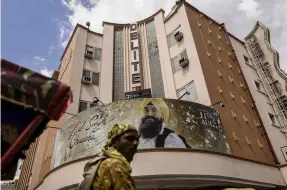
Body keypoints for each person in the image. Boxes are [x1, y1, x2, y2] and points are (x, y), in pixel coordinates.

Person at [78, 124, 139, 190]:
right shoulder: (114, 164)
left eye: (137, 140)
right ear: (114, 142)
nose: (135, 143)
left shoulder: (104, 163)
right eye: (129, 139)